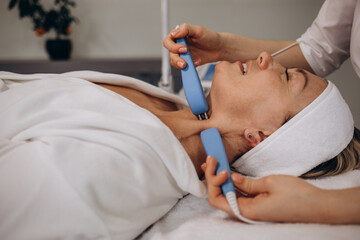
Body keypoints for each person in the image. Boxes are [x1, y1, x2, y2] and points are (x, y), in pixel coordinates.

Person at [163, 0, 360, 223]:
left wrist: (315, 203)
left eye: (287, 77)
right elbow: (320, 47)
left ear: (259, 135)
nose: (266, 56)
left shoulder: (153, 162)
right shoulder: (160, 105)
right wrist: (223, 48)